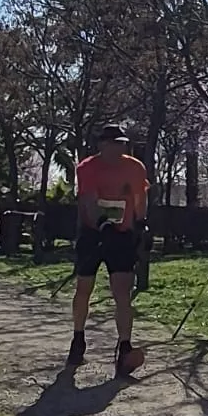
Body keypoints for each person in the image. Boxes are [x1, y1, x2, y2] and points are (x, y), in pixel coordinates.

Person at [69, 123, 150, 377]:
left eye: (122, 143)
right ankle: (78, 337)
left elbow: (140, 199)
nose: (118, 148)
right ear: (101, 145)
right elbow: (89, 201)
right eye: (113, 143)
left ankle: (125, 346)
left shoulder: (135, 168)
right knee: (84, 287)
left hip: (123, 235)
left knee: (122, 291)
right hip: (93, 234)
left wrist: (141, 224)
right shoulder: (87, 168)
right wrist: (102, 223)